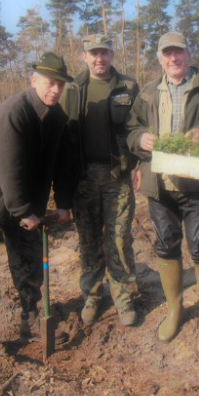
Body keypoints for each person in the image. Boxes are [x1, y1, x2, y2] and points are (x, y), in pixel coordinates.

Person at [127, 31, 199, 356]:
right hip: (159, 185)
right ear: (160, 58)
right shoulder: (148, 92)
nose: (173, 59)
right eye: (167, 54)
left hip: (196, 183)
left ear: (189, 55)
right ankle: (175, 309)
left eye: (179, 53)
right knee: (166, 245)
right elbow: (131, 129)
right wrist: (139, 140)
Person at [0, 52, 75, 344]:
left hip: (25, 206)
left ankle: (30, 320)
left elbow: (64, 164)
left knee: (28, 263)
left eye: (61, 85)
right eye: (51, 83)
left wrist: (63, 203)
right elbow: (8, 166)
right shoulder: (16, 111)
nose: (55, 90)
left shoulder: (58, 119)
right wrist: (24, 210)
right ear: (34, 80)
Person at [59, 33, 140, 327]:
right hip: (83, 179)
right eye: (94, 53)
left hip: (117, 175)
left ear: (112, 55)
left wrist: (139, 164)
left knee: (118, 240)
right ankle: (92, 296)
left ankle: (124, 298)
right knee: (89, 240)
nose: (99, 58)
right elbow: (65, 136)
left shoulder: (128, 86)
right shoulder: (73, 88)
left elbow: (138, 129)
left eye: (104, 52)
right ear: (84, 56)